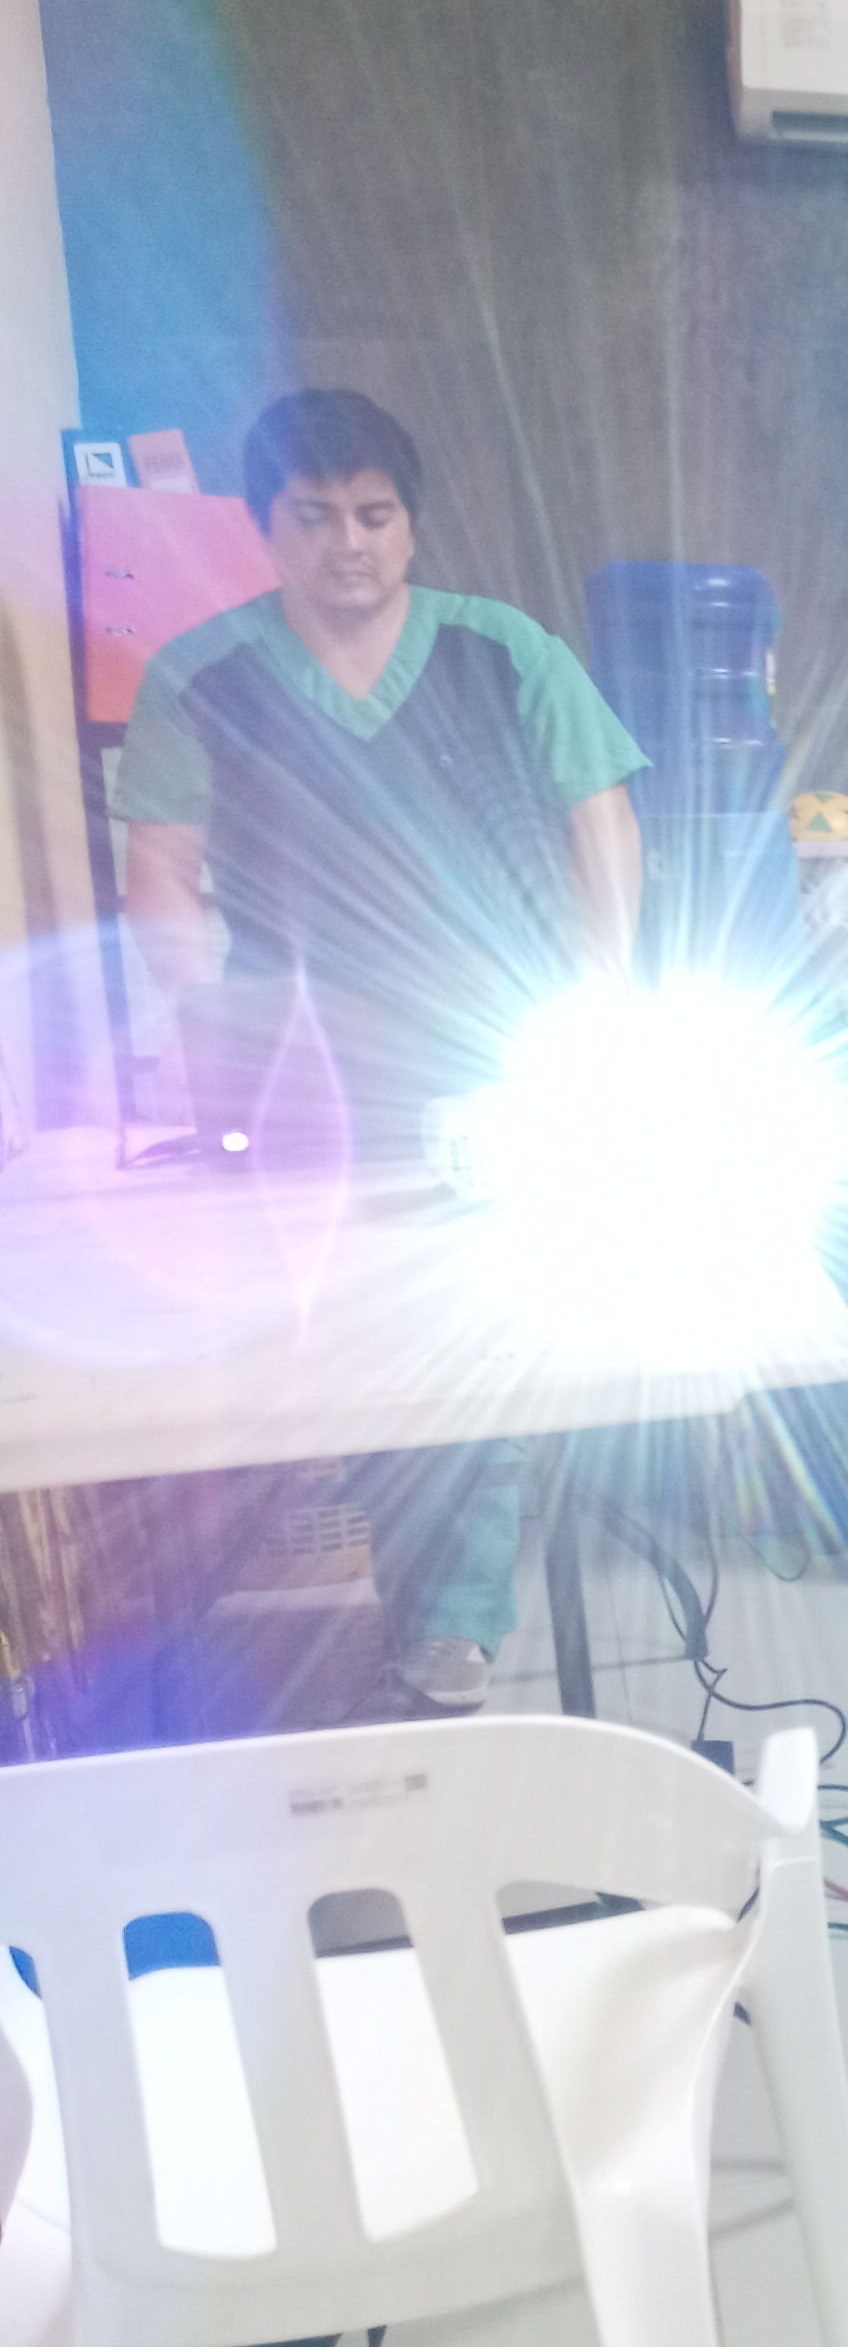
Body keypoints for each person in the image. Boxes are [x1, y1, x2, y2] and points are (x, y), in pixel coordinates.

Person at [116, 389, 647, 1713]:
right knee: (357, 1348)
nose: (347, 543)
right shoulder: (201, 676)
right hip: (306, 1073)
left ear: (410, 524)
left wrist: (606, 994)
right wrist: (199, 1026)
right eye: (315, 516)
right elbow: (162, 872)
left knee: (476, 1335)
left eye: (373, 514)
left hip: (493, 1052)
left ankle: (446, 1633)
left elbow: (602, 823)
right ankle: (414, 1621)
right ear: (265, 528)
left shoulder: (503, 651)